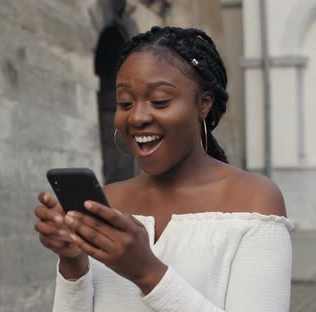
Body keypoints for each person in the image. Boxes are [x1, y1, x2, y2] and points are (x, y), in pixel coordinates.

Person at [34, 26, 292, 312]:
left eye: (159, 101)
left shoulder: (253, 201)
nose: (138, 116)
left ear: (204, 103)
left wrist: (147, 273)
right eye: (125, 103)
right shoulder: (107, 205)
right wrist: (74, 263)